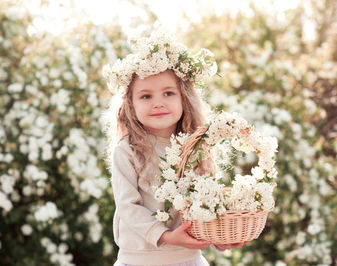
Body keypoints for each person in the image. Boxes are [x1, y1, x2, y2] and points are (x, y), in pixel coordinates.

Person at [102, 28, 247, 266]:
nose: (158, 103)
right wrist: (167, 236)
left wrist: (220, 237)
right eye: (146, 96)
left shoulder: (198, 147)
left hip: (189, 259)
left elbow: (206, 203)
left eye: (168, 93)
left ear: (184, 98)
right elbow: (128, 207)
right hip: (141, 260)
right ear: (130, 104)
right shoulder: (127, 150)